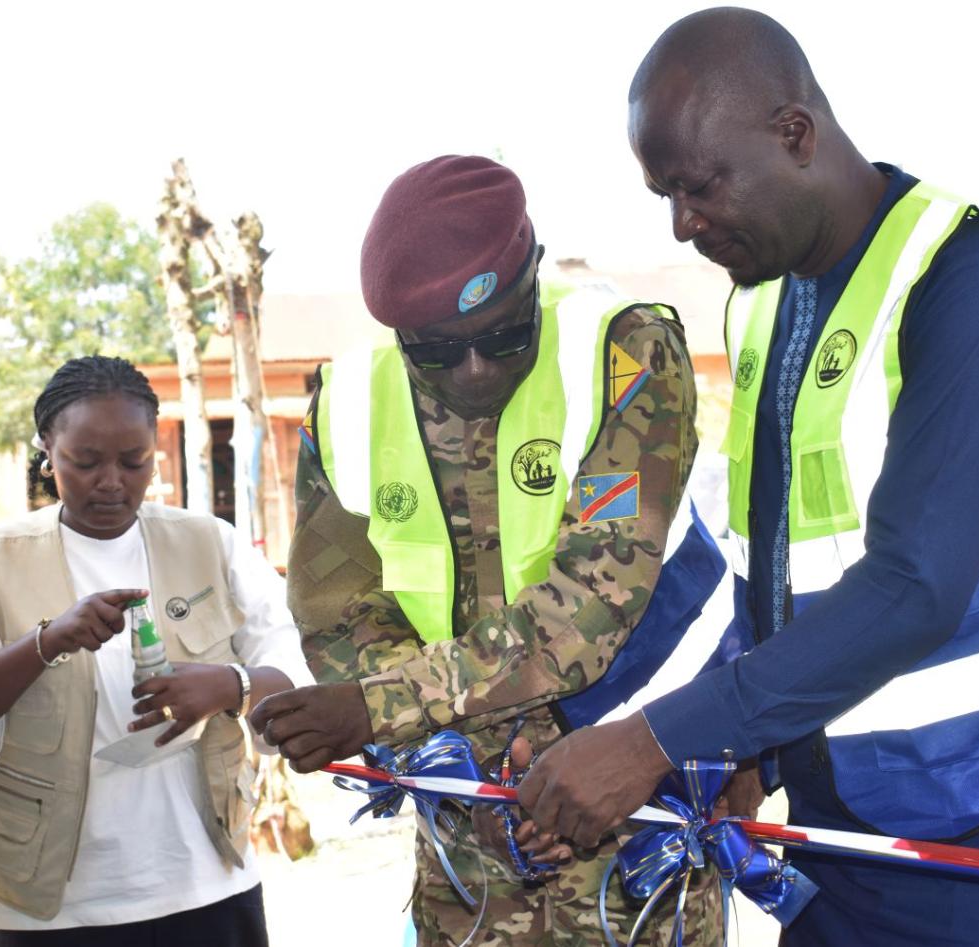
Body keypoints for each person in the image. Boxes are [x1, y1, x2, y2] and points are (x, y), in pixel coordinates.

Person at [519, 9, 979, 945]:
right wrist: (735, 744)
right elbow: (779, 568)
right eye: (662, 195)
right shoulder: (764, 310)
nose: (683, 223)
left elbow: (914, 587)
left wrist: (655, 739)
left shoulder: (974, 282)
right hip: (849, 839)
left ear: (793, 133)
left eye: (698, 187)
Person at [250, 155, 724, 944]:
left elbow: (592, 603)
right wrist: (471, 760)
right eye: (436, 351)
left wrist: (378, 707)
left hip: (626, 819)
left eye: (504, 336)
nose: (474, 370)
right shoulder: (349, 406)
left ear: (534, 272)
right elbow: (342, 616)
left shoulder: (624, 358)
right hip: (466, 855)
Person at [0, 355, 311, 947]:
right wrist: (46, 643)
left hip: (204, 884)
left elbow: (297, 675)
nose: (111, 481)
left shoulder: (210, 543)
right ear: (47, 449)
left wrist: (230, 685)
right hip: (51, 908)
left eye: (134, 462)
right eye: (85, 461)